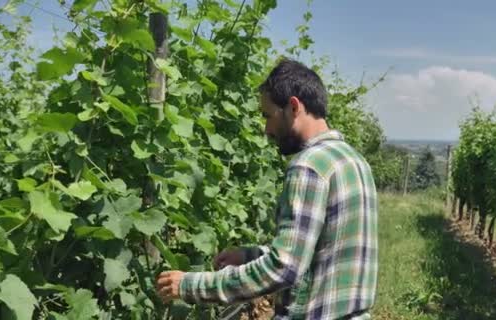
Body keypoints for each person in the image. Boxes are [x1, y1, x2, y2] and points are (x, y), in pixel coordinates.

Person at [156, 58, 378, 319]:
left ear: (293, 107)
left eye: (268, 116)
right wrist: (248, 255)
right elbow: (317, 253)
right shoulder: (353, 161)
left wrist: (190, 285)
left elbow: (284, 268)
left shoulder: (309, 167)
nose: (266, 129)